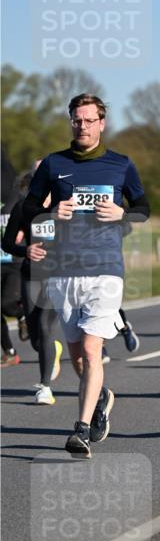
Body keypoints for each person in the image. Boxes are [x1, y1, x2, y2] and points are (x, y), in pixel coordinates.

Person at [22, 94, 150, 458]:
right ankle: (101, 398)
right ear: (71, 122)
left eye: (89, 120)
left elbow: (143, 209)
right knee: (77, 356)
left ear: (101, 123)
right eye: (77, 120)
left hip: (105, 269)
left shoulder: (121, 165)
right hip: (64, 271)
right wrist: (50, 214)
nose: (82, 126)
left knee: (93, 350)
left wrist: (123, 214)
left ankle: (80, 430)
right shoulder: (53, 164)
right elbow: (28, 208)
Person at [1, 165, 63, 402]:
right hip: (31, 275)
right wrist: (25, 250)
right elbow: (7, 243)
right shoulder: (23, 207)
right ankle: (52, 350)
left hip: (58, 275)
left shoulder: (65, 207)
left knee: (46, 327)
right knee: (36, 338)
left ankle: (45, 387)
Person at [1, 182, 24, 367]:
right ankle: (9, 352)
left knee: (6, 304)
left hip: (14, 262)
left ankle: (23, 315)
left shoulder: (15, 196)